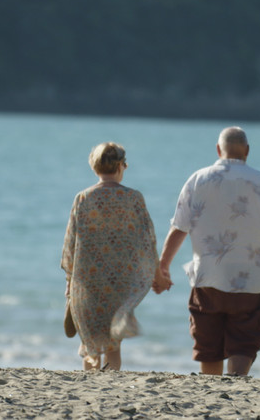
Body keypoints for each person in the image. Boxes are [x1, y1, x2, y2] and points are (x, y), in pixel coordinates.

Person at [152, 126, 260, 376]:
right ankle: (235, 382)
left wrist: (162, 266)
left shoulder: (198, 179)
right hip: (251, 281)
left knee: (208, 343)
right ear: (247, 151)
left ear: (218, 150)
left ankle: (212, 390)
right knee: (246, 339)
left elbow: (179, 228)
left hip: (208, 278)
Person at [61, 142, 159, 371]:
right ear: (121, 167)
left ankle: (89, 383)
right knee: (114, 344)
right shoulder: (134, 198)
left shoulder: (83, 198)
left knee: (90, 340)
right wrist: (157, 273)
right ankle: (112, 382)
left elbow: (70, 244)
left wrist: (70, 281)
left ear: (94, 167)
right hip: (120, 280)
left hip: (89, 280)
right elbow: (147, 240)